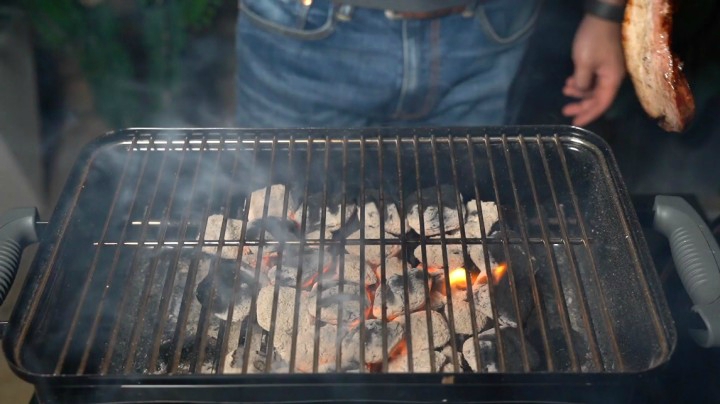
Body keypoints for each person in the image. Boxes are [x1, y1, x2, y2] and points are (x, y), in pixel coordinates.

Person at [234, 0, 626, 128]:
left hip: (489, 30)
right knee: (284, 222)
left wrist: (607, 12)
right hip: (299, 32)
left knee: (457, 233)